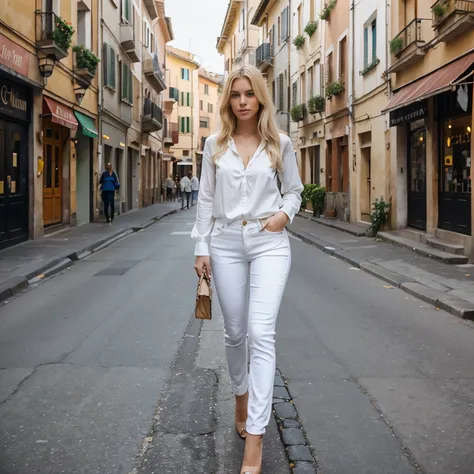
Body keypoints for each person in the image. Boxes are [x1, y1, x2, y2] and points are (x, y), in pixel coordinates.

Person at [191, 65, 303, 474]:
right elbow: (205, 199)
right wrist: (201, 246)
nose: (242, 101)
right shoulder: (213, 145)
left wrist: (283, 217)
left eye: (249, 94)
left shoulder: (280, 144)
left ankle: (254, 438)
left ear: (260, 99)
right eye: (235, 94)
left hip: (269, 241)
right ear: (228, 100)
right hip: (223, 242)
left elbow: (294, 191)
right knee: (234, 332)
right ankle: (241, 395)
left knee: (260, 332)